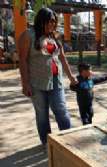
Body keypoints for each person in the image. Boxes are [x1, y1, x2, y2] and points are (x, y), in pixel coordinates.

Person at [18, 8, 77, 145]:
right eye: (49, 21)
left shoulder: (55, 36)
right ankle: (47, 143)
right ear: (41, 21)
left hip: (56, 81)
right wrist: (25, 83)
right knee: (42, 115)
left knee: (61, 110)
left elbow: (62, 58)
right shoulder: (28, 35)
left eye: (54, 22)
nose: (52, 25)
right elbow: (22, 60)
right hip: (37, 83)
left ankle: (68, 141)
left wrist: (71, 77)